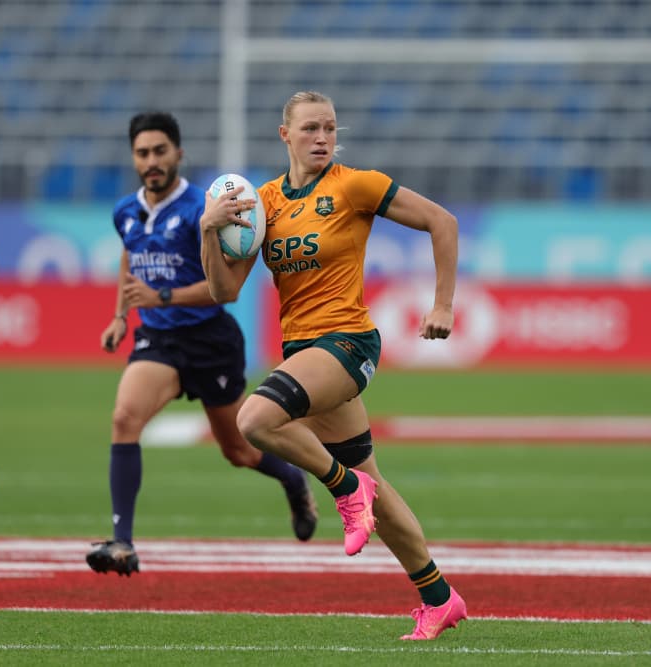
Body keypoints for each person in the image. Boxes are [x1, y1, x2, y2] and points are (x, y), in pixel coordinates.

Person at [199, 91, 466, 640]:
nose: (322, 137)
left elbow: (443, 222)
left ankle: (342, 488)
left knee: (253, 422)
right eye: (311, 128)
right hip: (304, 354)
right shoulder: (264, 202)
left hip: (348, 344)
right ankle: (439, 598)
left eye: (330, 128)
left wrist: (442, 303)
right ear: (285, 134)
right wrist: (209, 228)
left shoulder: (355, 184)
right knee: (377, 487)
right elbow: (224, 289)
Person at [86, 112, 318, 577]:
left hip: (210, 339)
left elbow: (223, 288)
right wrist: (120, 314)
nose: (151, 161)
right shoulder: (125, 212)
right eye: (142, 153)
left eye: (159, 151)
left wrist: (162, 295)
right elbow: (130, 258)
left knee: (239, 451)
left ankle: (293, 480)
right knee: (124, 418)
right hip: (158, 340)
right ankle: (123, 542)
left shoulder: (203, 209)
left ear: (178, 153)